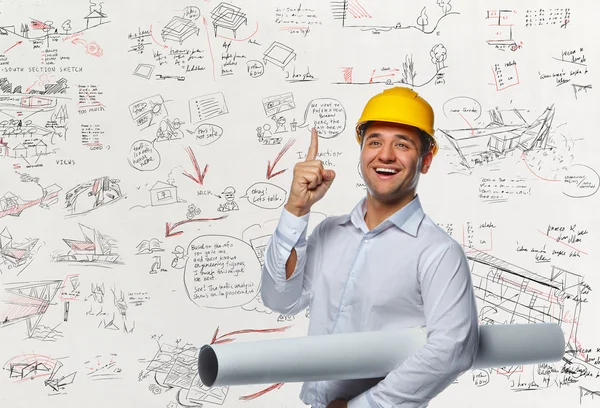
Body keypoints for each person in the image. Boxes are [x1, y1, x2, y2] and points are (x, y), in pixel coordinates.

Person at [260, 87, 480, 408]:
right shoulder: (329, 233)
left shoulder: (438, 252)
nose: (385, 155)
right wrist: (296, 209)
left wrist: (359, 406)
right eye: (374, 142)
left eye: (402, 145)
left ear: (426, 160)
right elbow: (279, 299)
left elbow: (452, 348)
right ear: (362, 152)